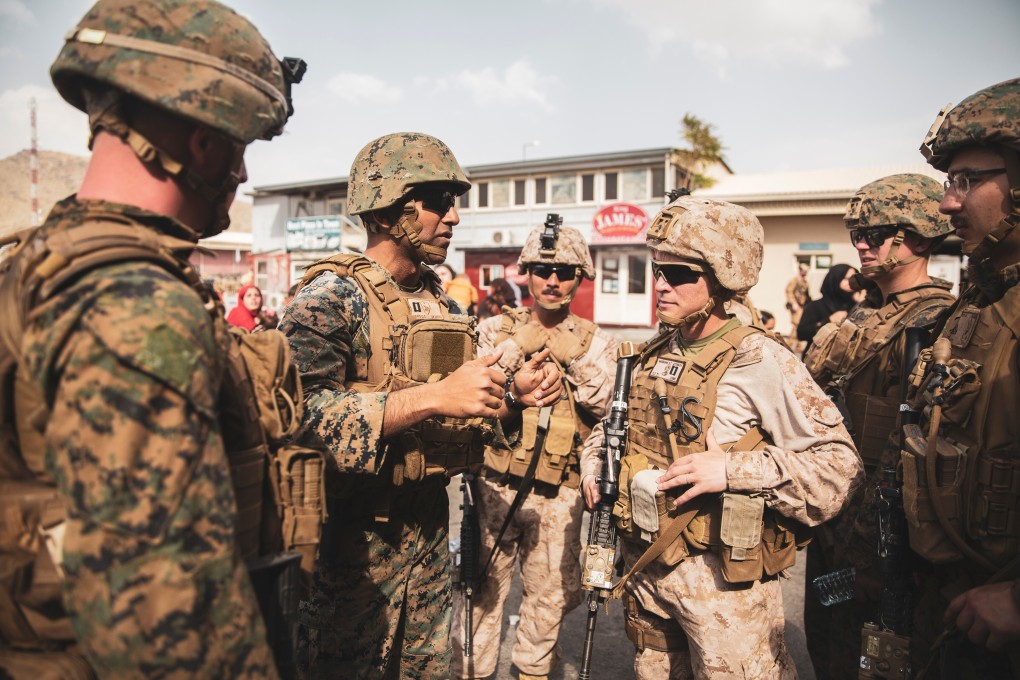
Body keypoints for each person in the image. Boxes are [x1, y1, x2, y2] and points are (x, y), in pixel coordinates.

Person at [0, 0, 302, 676]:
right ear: (204, 143)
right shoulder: (136, 304)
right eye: (241, 148)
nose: (243, 175)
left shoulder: (38, 261)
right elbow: (168, 621)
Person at [279, 132, 562, 679]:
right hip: (351, 549)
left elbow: (463, 417)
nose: (453, 217)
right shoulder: (331, 297)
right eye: (438, 202)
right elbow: (297, 419)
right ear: (387, 211)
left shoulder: (438, 302)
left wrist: (509, 401)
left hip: (429, 535)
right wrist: (433, 395)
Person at [580, 195, 863, 679]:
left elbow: (839, 469)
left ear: (722, 276)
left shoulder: (760, 360)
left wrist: (732, 469)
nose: (662, 285)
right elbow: (611, 427)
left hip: (725, 596)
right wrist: (595, 463)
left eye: (680, 273)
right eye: (657, 270)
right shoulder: (652, 352)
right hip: (649, 575)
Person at [799, 173, 955, 680]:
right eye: (856, 234)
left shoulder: (940, 322)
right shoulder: (865, 318)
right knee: (828, 648)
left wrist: (875, 548)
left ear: (919, 237)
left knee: (873, 659)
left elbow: (916, 445)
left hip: (885, 533)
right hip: (834, 518)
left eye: (877, 231)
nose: (862, 243)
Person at [451, 223, 618, 680]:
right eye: (542, 269)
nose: (552, 280)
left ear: (579, 276)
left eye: (564, 271)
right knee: (480, 595)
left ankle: (531, 672)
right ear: (525, 273)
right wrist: (518, 348)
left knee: (548, 601)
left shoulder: (596, 343)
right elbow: (471, 394)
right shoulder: (493, 330)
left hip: (559, 498)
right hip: (493, 487)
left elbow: (605, 407)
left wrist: (573, 354)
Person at [899, 77, 1020, 679]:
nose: (948, 204)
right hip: (954, 603)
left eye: (968, 181)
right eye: (951, 182)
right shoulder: (980, 302)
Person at [796, 263, 860, 352]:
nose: (851, 283)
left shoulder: (858, 306)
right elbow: (801, 333)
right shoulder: (816, 306)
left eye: (854, 279)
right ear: (835, 279)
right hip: (818, 360)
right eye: (847, 279)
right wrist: (828, 321)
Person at [785, 262, 811, 335]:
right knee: (797, 325)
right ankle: (791, 344)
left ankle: (798, 345)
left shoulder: (804, 282)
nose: (806, 272)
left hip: (803, 305)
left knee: (800, 324)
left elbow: (806, 294)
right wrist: (793, 303)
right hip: (797, 305)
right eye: (804, 270)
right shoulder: (794, 281)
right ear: (800, 270)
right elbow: (789, 291)